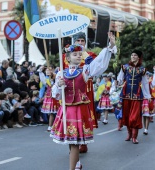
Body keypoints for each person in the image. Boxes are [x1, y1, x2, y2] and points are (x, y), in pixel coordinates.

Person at [50, 33, 116, 170]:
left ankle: (72, 168)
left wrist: (110, 47)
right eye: (75, 54)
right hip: (66, 109)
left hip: (79, 109)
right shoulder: (61, 74)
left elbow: (99, 63)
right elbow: (55, 95)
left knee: (74, 143)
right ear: (67, 58)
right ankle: (77, 163)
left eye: (80, 54)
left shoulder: (85, 70)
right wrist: (58, 85)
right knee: (70, 139)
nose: (79, 56)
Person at [116, 50, 151, 144]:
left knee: (134, 117)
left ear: (139, 57)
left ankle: (135, 137)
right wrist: (118, 82)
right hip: (126, 95)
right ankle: (129, 134)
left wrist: (147, 95)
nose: (133, 56)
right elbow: (120, 77)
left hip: (137, 96)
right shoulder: (125, 67)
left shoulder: (142, 69)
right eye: (132, 55)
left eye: (135, 55)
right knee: (127, 116)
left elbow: (145, 83)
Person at [39, 66, 60, 131]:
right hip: (48, 97)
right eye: (47, 70)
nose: (48, 71)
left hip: (55, 96)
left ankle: (52, 126)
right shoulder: (45, 78)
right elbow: (42, 88)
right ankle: (51, 125)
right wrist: (40, 96)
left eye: (50, 70)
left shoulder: (55, 77)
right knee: (50, 112)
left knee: (55, 112)